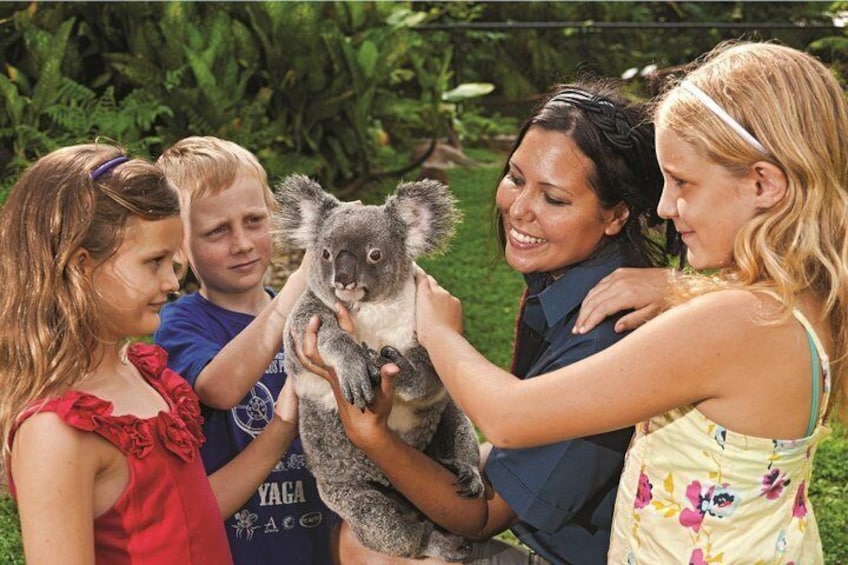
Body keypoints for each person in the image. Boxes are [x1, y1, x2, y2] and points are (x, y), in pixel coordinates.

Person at [410, 41, 848, 563]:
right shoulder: (802, 302)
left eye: (682, 181)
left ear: (763, 183)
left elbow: (510, 417)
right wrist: (680, 285)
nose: (663, 206)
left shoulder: (733, 322)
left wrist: (439, 332)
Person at [296, 80, 678, 564]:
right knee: (366, 532)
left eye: (554, 200)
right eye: (516, 179)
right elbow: (508, 454)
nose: (519, 210)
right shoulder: (575, 280)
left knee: (375, 553)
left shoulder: (605, 326)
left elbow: (482, 512)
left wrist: (380, 425)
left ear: (615, 215)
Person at [0, 144, 300, 563]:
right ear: (80, 267)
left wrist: (282, 426)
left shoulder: (149, 378)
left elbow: (197, 516)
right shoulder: (57, 432)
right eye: (154, 262)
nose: (173, 283)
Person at [153, 136, 337, 565]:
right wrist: (293, 294)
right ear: (178, 245)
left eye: (254, 220)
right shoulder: (179, 325)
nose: (242, 243)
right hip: (240, 549)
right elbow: (220, 388)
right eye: (217, 231)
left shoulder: (313, 315)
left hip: (320, 540)